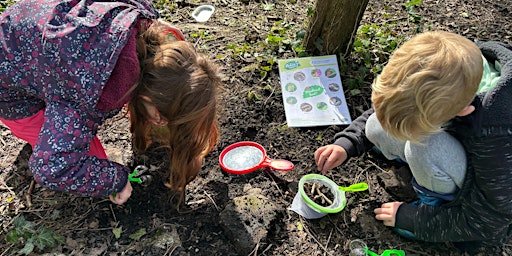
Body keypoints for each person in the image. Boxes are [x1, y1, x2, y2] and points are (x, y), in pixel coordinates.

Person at [0, 0, 222, 206]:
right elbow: (51, 167)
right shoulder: (89, 94)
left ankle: (54, 126)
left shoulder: (138, 17)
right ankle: (45, 131)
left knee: (68, 134)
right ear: (153, 111)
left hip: (32, 18)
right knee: (87, 161)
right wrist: (115, 179)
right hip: (9, 84)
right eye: (164, 121)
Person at [314, 30, 512, 247]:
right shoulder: (451, 69)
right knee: (375, 126)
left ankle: (437, 201)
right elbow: (395, 103)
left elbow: (492, 219)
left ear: (462, 112)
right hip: (463, 145)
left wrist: (416, 220)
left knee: (424, 147)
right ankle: (423, 163)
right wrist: (348, 142)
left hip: (488, 188)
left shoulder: (497, 137)